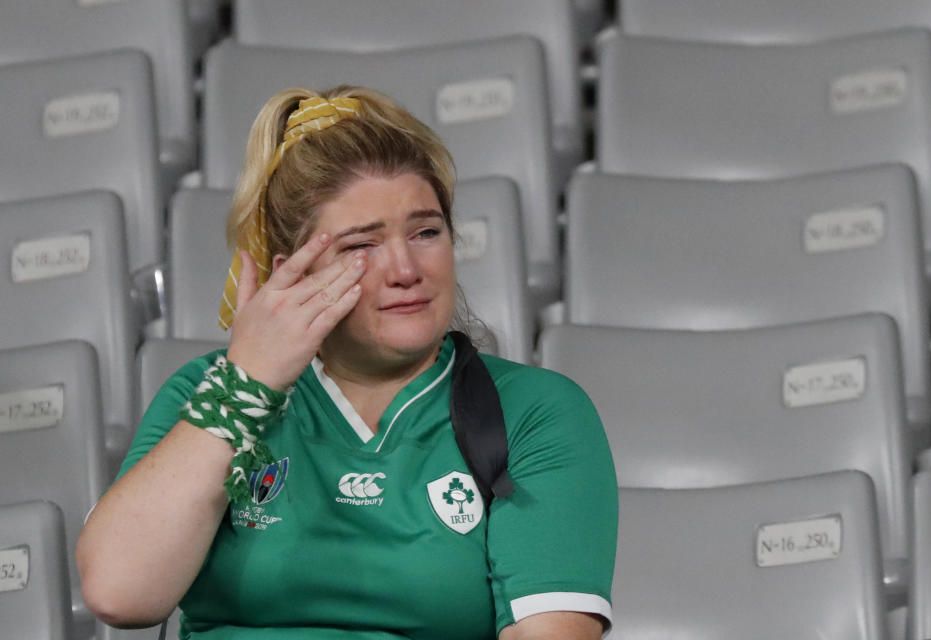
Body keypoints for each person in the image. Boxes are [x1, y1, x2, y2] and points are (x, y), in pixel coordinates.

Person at [76, 85, 618, 639]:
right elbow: (119, 593)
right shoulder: (207, 393)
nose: (406, 268)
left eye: (426, 232)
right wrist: (244, 388)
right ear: (293, 274)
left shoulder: (535, 411)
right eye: (362, 245)